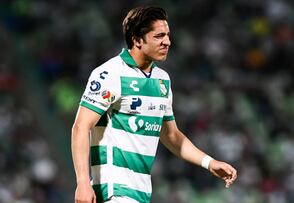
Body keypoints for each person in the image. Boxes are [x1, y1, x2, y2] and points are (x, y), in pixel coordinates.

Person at [71, 6, 237, 203]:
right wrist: (82, 182)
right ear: (137, 39)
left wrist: (209, 163)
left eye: (167, 35)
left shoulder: (162, 80)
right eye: (159, 36)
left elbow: (172, 136)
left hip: (140, 193)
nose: (167, 41)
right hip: (114, 190)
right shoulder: (110, 73)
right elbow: (81, 127)